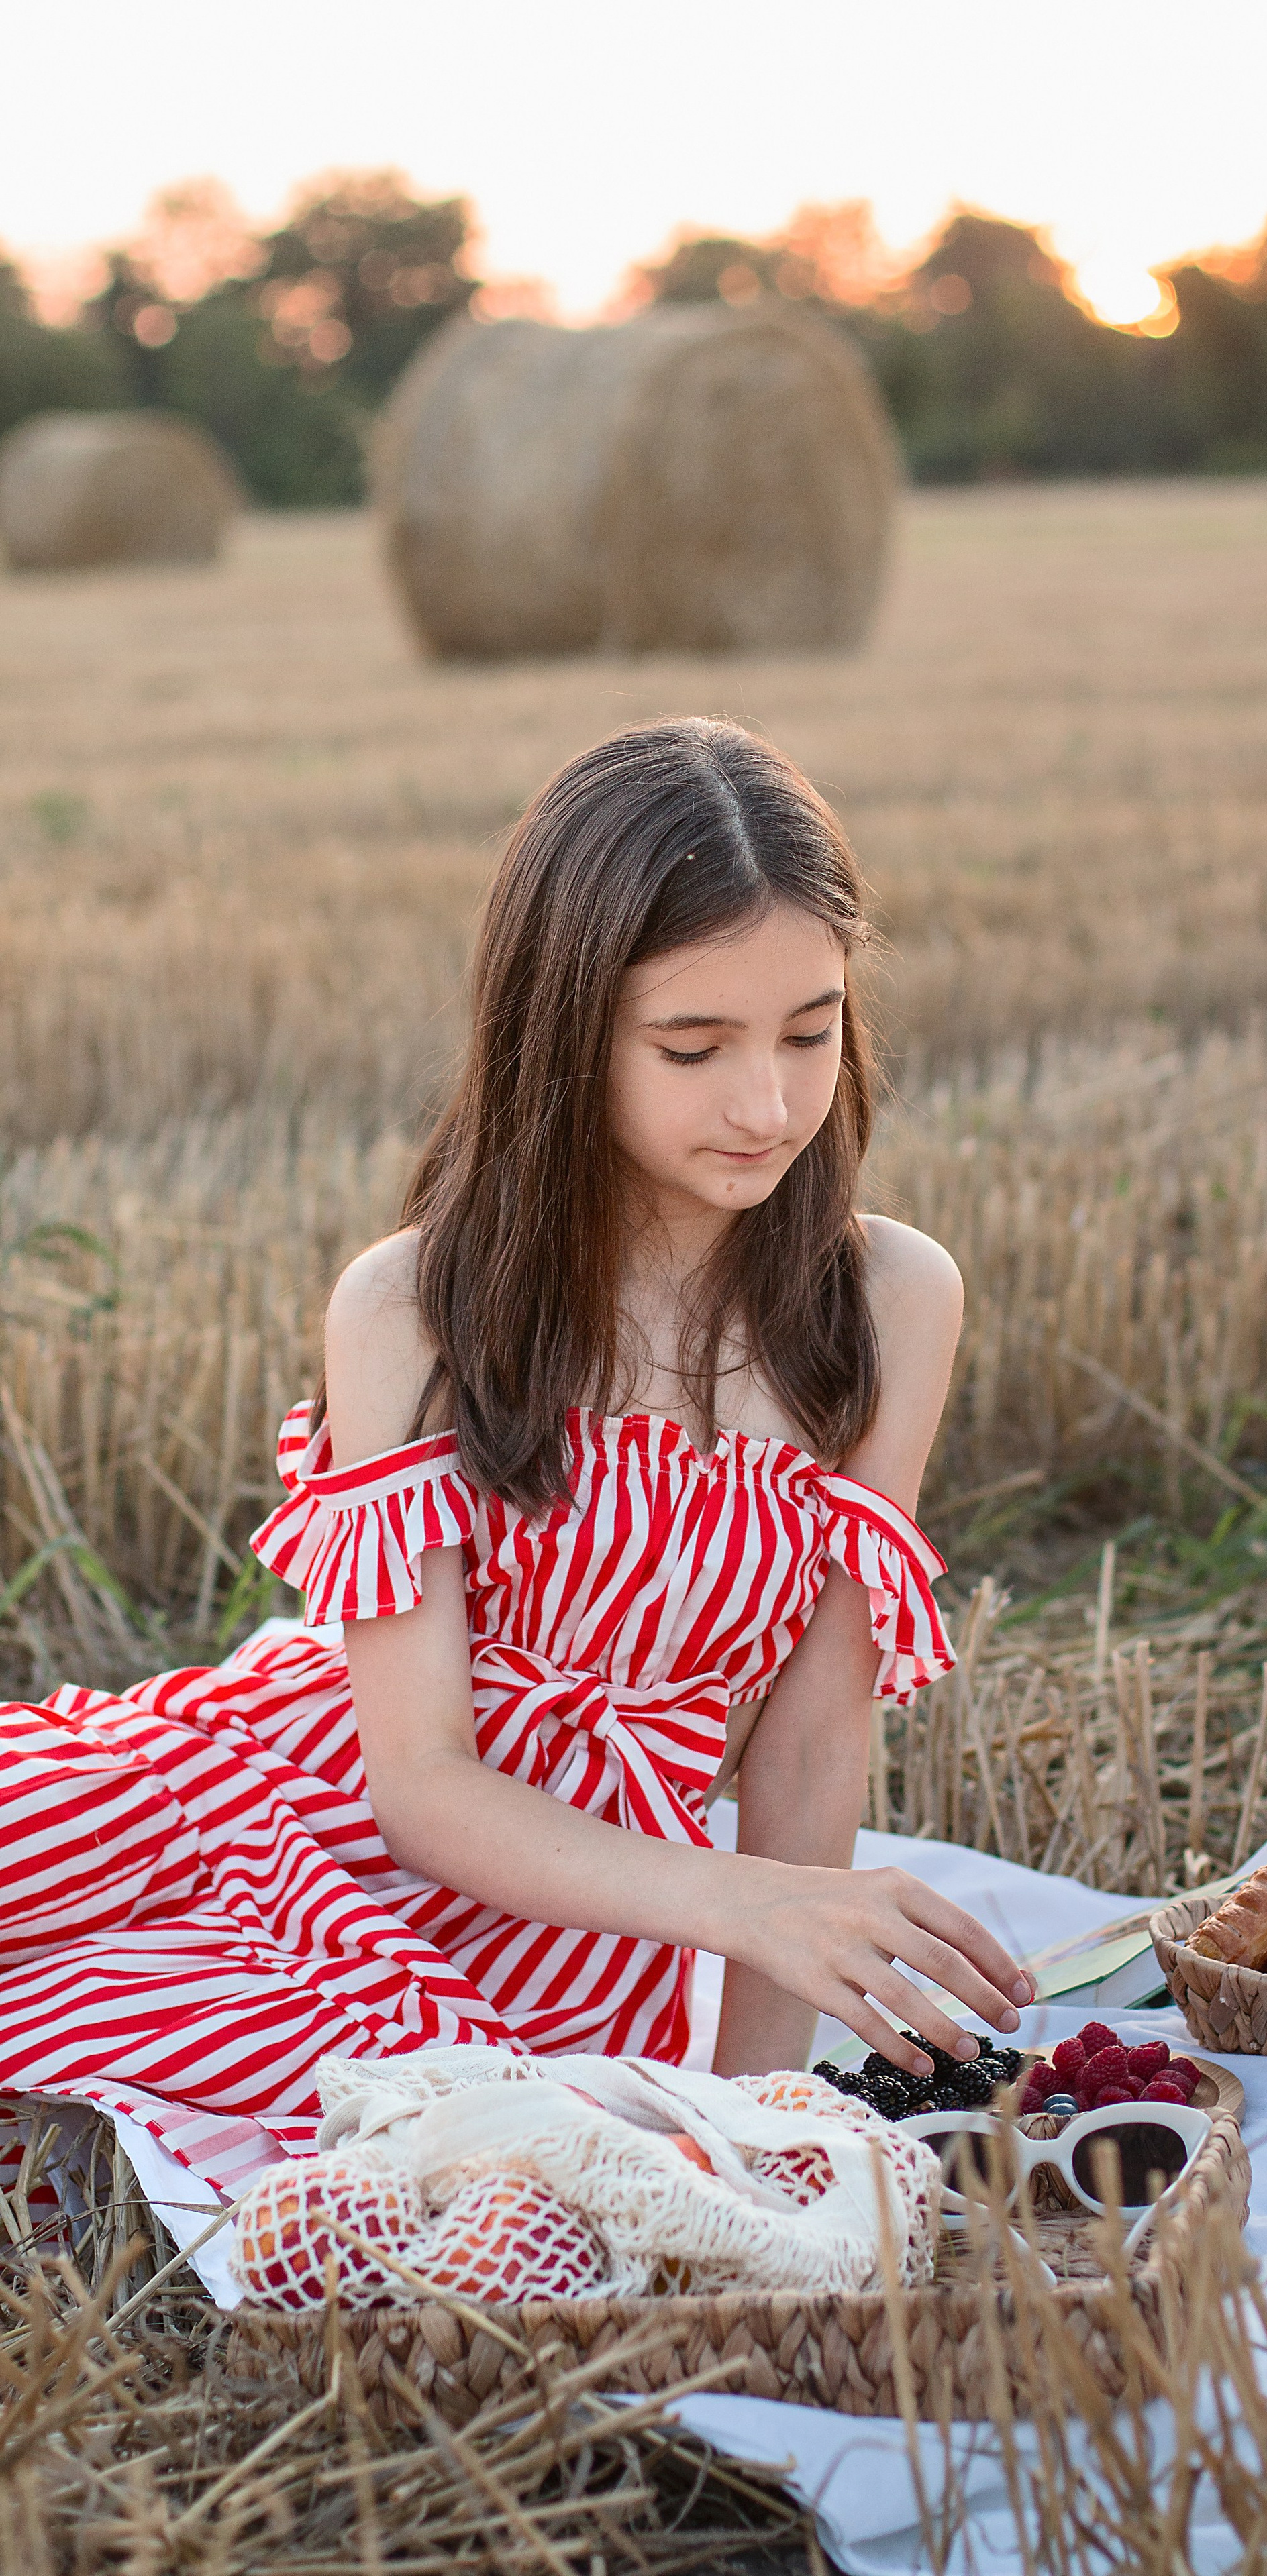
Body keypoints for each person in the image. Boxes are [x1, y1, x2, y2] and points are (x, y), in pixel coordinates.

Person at [0, 719, 1030, 2185]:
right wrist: (743, 1901)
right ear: (561, 1030)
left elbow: (811, 1742)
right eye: (693, 1048)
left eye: (810, 1032)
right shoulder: (411, 1309)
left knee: (425, 2137)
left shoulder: (886, 1302)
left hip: (582, 1928)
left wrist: (759, 2115)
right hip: (295, 1796)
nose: (767, 1105)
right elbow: (419, 1783)